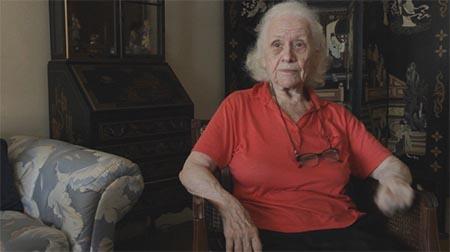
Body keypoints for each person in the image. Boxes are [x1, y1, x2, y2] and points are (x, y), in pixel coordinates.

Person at [179, 1, 414, 251]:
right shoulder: (238, 106)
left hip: (342, 232)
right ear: (263, 57)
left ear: (313, 57)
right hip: (264, 234)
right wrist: (229, 206)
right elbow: (191, 170)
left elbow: (390, 165)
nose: (288, 56)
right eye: (277, 45)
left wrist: (395, 182)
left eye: (299, 45)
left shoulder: (337, 116)